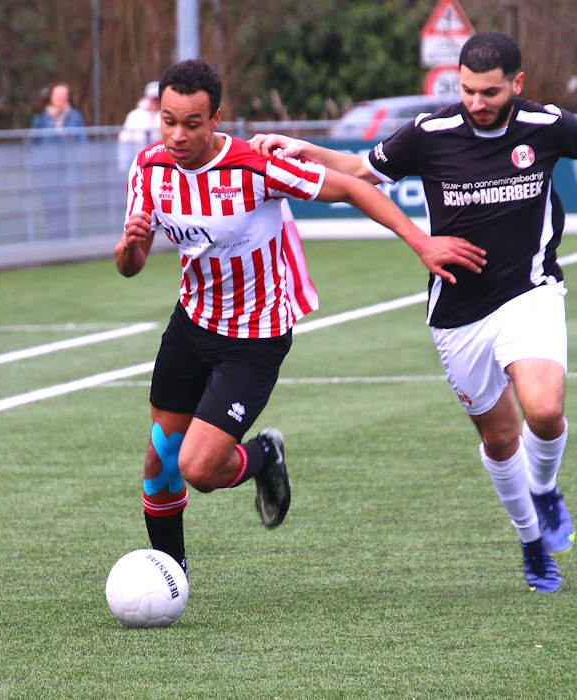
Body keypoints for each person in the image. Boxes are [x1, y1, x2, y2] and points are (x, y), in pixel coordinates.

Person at [252, 30, 577, 593]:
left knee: (545, 410)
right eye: (467, 90)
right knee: (500, 440)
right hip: (457, 312)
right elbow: (360, 169)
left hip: (529, 292)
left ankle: (545, 488)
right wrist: (302, 147)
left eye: (489, 92)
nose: (476, 102)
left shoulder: (545, 125)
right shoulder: (429, 133)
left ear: (517, 83)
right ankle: (531, 541)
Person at [116, 59, 485, 578]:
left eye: (192, 123)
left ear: (216, 118)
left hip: (255, 337)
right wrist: (130, 246)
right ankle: (171, 575)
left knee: (198, 469)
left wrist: (421, 242)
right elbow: (129, 266)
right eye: (169, 120)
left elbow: (354, 188)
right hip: (191, 325)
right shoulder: (149, 169)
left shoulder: (254, 168)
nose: (177, 135)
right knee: (160, 459)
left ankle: (263, 456)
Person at [117, 80, 160, 169]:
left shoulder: (167, 116)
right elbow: (124, 140)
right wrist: (124, 165)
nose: (155, 101)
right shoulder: (134, 116)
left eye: (157, 98)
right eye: (153, 98)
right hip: (138, 161)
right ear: (146, 97)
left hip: (160, 162)